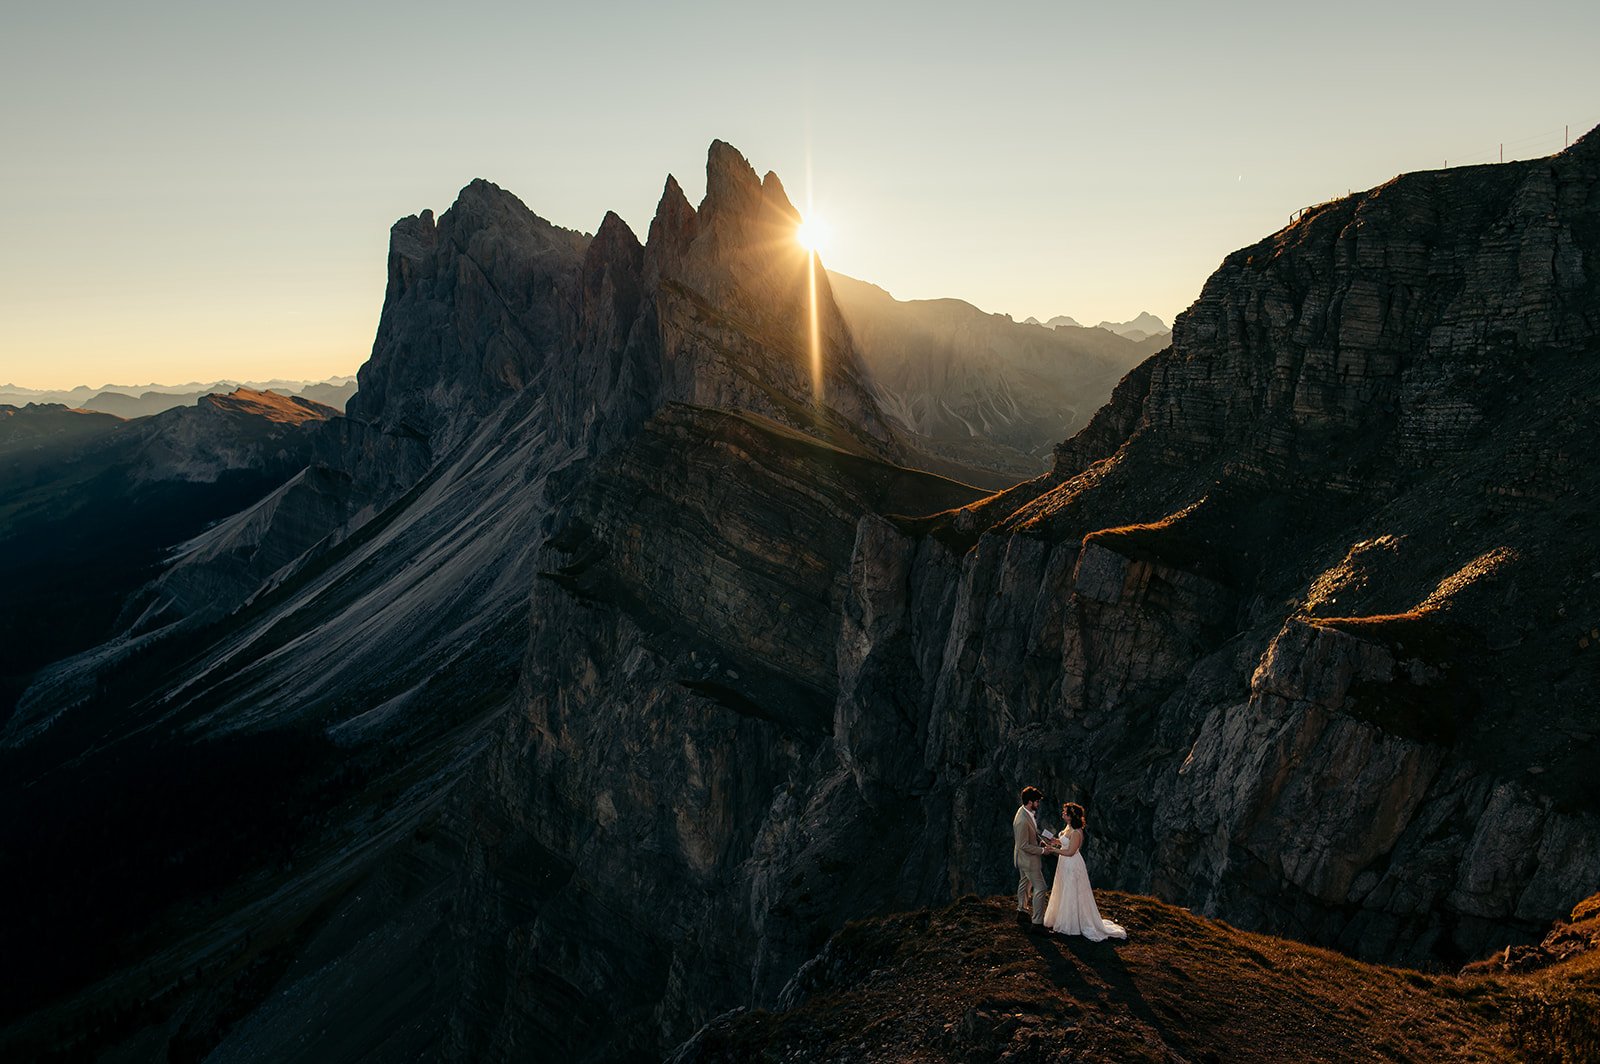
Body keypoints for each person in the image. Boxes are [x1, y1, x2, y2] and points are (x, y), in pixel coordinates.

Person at [1042, 802, 1127, 941]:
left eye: (1065, 812)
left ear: (1070, 816)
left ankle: (1071, 922)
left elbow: (1070, 851)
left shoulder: (1077, 832)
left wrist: (1053, 850)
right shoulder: (1069, 827)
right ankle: (1062, 917)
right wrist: (1054, 841)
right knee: (1063, 889)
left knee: (1071, 890)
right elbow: (1064, 842)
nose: (1062, 813)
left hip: (1072, 864)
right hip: (1064, 863)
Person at [1012, 785, 1050, 933]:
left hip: (1021, 859)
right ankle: (1037, 923)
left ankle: (1021, 911)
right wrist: (1042, 850)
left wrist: (1039, 841)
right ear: (1030, 802)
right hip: (1028, 860)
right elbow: (1023, 845)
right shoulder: (1022, 820)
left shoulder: (1024, 812)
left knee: (1024, 883)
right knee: (1041, 888)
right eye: (1036, 802)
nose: (1038, 804)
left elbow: (1029, 836)